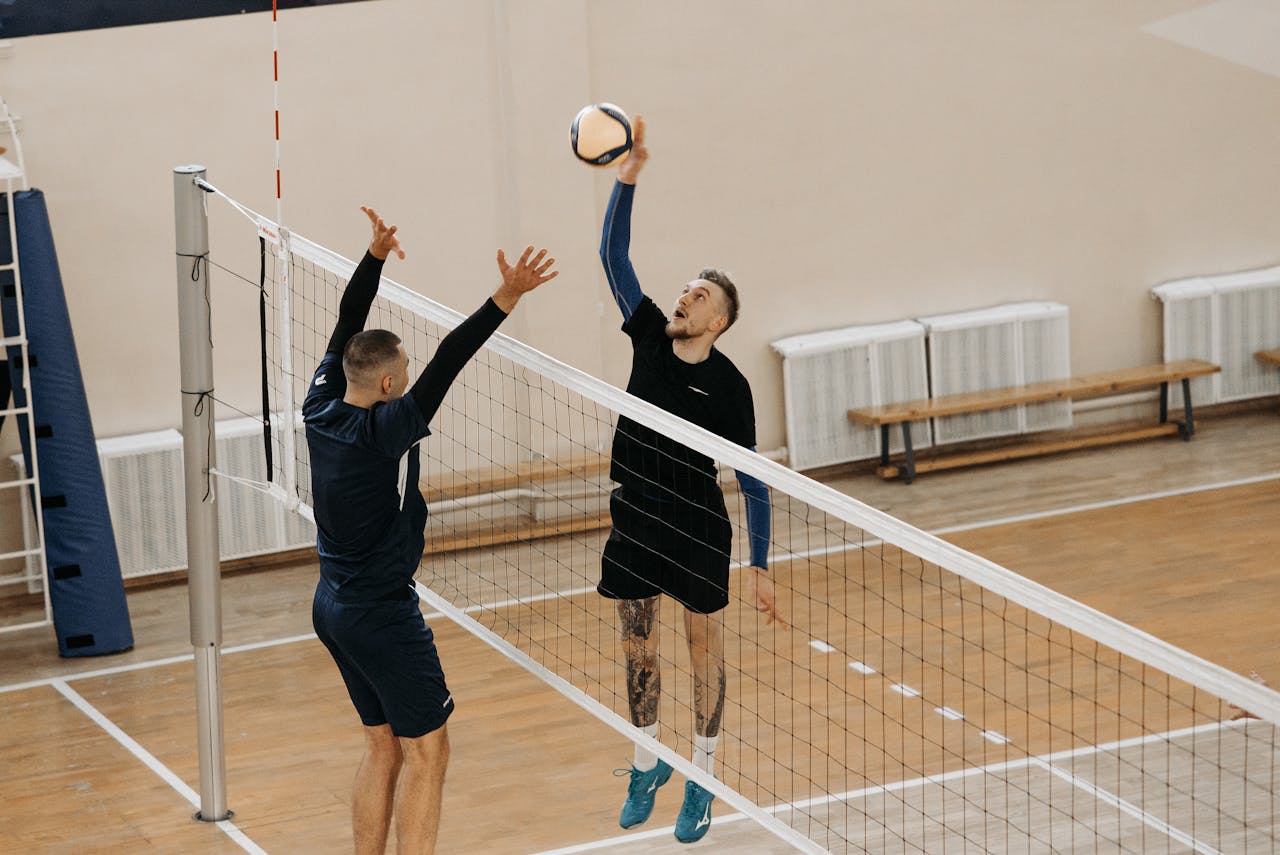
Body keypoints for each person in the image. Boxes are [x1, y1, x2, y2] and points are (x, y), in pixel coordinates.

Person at [304, 207, 558, 855]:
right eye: (405, 374)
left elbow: (347, 323)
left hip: (331, 603)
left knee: (383, 745)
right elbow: (451, 357)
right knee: (429, 752)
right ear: (390, 382)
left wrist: (374, 258)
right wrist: (506, 296)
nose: (411, 380)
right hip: (381, 614)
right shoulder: (384, 430)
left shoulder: (320, 403)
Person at [596, 117, 782, 844]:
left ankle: (702, 778)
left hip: (699, 525)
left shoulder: (731, 387)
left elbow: (753, 480)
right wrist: (628, 177)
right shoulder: (649, 335)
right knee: (637, 645)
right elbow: (612, 255)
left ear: (720, 319)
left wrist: (760, 564)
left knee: (704, 647)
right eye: (685, 289)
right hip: (635, 515)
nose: (685, 296)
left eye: (700, 295)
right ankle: (648, 764)